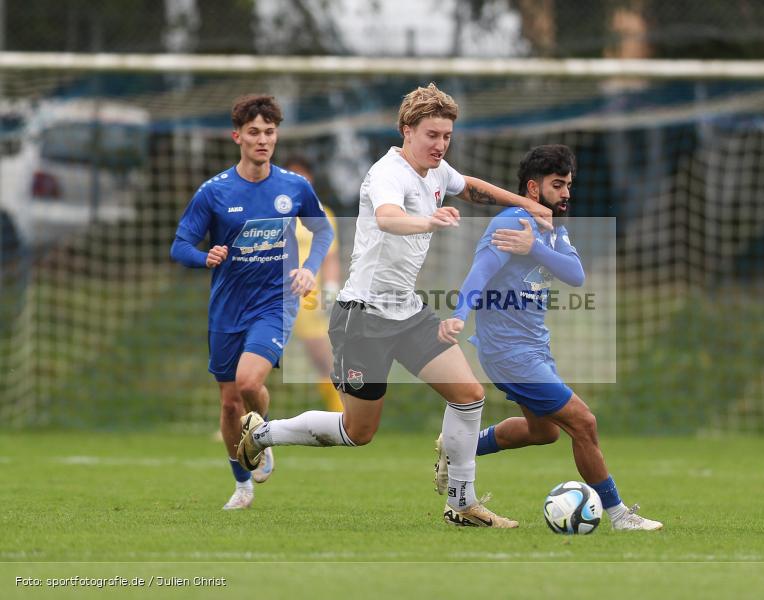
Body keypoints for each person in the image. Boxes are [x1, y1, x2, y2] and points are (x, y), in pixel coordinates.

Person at [235, 83, 551, 528]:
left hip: (409, 312)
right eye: (432, 135)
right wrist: (429, 219)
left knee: (469, 395)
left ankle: (462, 503)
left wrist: (525, 203)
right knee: (357, 432)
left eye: (446, 136)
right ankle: (262, 433)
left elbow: (471, 187)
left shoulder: (437, 172)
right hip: (362, 317)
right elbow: (387, 217)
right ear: (407, 130)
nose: (440, 145)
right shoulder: (387, 172)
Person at [434, 144, 663, 531]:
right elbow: (479, 274)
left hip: (534, 348)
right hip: (508, 352)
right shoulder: (510, 222)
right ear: (533, 188)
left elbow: (576, 275)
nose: (567, 193)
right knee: (583, 422)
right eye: (558, 185)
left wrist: (535, 247)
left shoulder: (552, 231)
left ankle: (457, 448)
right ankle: (620, 515)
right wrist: (457, 316)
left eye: (569, 185)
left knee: (544, 432)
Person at [170, 95, 334, 510]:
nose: (263, 140)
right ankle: (242, 485)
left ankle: (263, 436)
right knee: (228, 403)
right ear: (237, 136)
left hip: (274, 303)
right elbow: (180, 244)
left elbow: (323, 232)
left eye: (270, 132)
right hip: (227, 306)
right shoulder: (214, 192)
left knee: (248, 383)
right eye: (255, 132)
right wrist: (203, 257)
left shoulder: (294, 187)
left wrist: (310, 267)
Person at [285, 154, 343, 412]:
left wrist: (330, 291)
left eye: (303, 176)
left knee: (323, 358)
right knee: (255, 357)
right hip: (275, 295)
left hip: (309, 298)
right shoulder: (272, 213)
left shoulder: (322, 214)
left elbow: (330, 258)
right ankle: (241, 418)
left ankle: (341, 414)